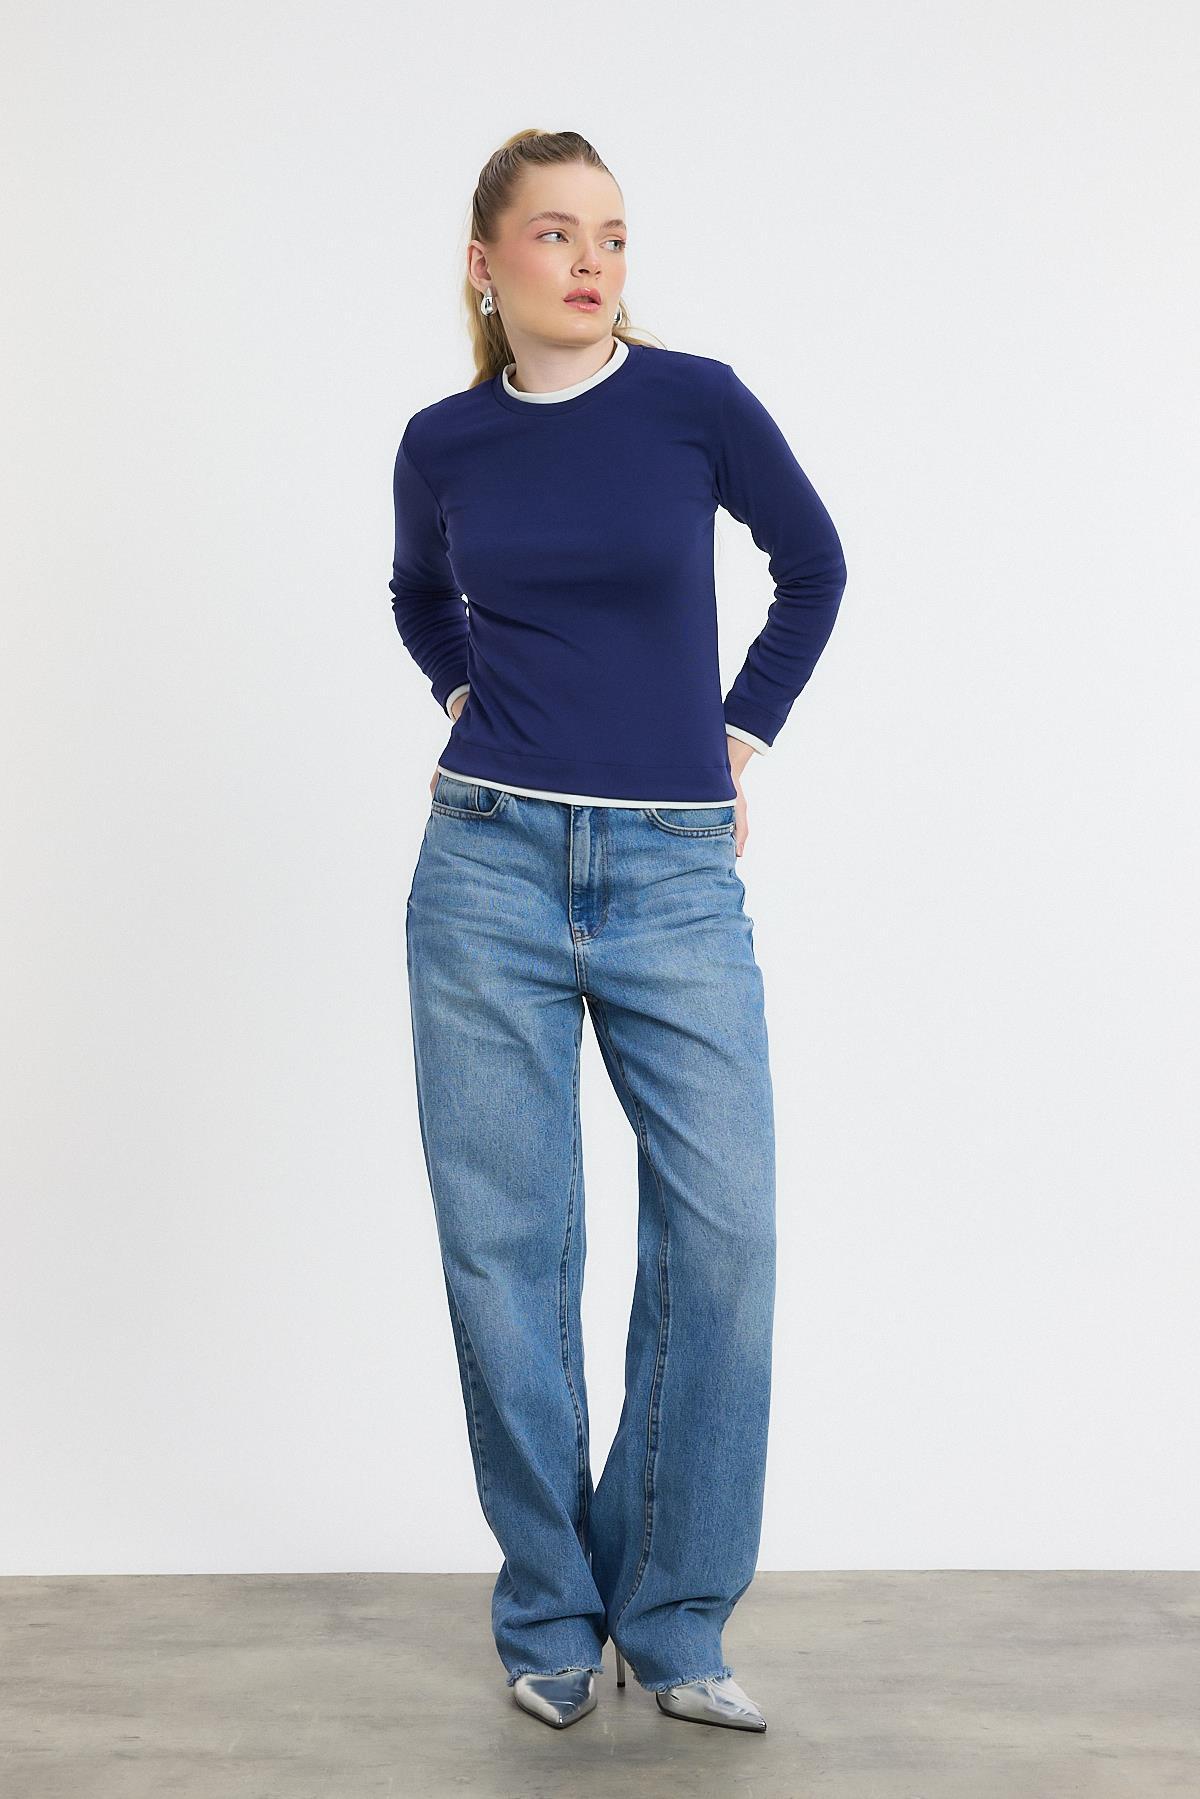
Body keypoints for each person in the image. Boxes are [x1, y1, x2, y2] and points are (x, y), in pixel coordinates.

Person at [389, 129, 847, 1734]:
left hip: (673, 871)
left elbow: (814, 566)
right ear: (485, 263)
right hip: (487, 866)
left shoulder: (694, 404)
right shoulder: (444, 442)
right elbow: (417, 595)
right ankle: (548, 1615)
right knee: (507, 1256)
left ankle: (676, 1615)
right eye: (556, 234)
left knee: (726, 1236)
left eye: (615, 236)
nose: (592, 263)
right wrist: (461, 692)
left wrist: (741, 735)